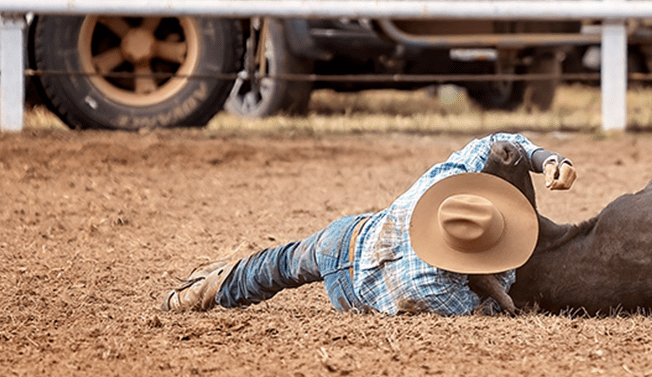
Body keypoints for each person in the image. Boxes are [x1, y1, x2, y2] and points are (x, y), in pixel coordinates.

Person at [161, 133, 577, 315]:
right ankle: (213, 285)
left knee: (282, 264)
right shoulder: (429, 287)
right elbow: (479, 309)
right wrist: (502, 277)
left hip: (349, 236)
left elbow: (493, 144)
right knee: (285, 264)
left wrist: (546, 160)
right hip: (353, 291)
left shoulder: (438, 185)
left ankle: (203, 291)